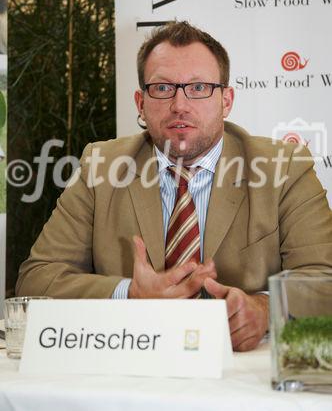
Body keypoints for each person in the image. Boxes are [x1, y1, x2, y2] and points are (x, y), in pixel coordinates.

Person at [16, 21, 332, 352]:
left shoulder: (284, 168)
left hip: (241, 374)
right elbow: (37, 281)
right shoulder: (101, 168)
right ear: (140, 102)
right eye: (163, 88)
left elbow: (323, 277)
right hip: (133, 366)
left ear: (226, 100)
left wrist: (265, 310)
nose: (180, 104)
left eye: (198, 88)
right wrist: (131, 293)